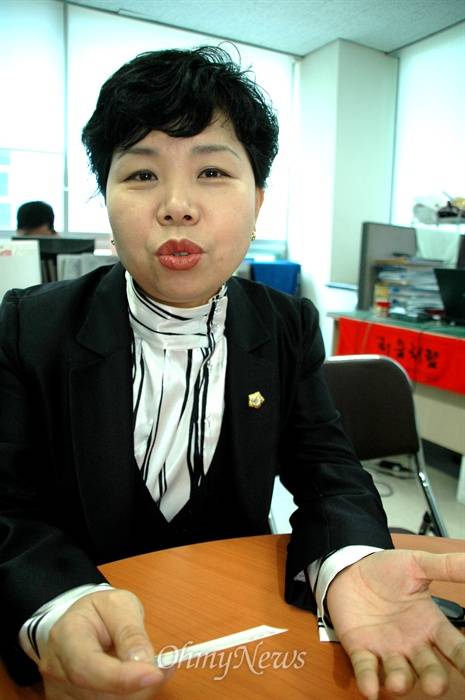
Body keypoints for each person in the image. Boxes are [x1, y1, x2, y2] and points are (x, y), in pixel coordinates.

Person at [0, 46, 463, 700]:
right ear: (105, 197)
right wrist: (57, 603)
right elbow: (7, 505)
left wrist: (351, 562)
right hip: (86, 636)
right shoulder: (29, 326)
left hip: (238, 631)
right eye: (141, 174)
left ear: (258, 198)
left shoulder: (285, 325)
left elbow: (328, 473)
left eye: (213, 171)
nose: (177, 206)